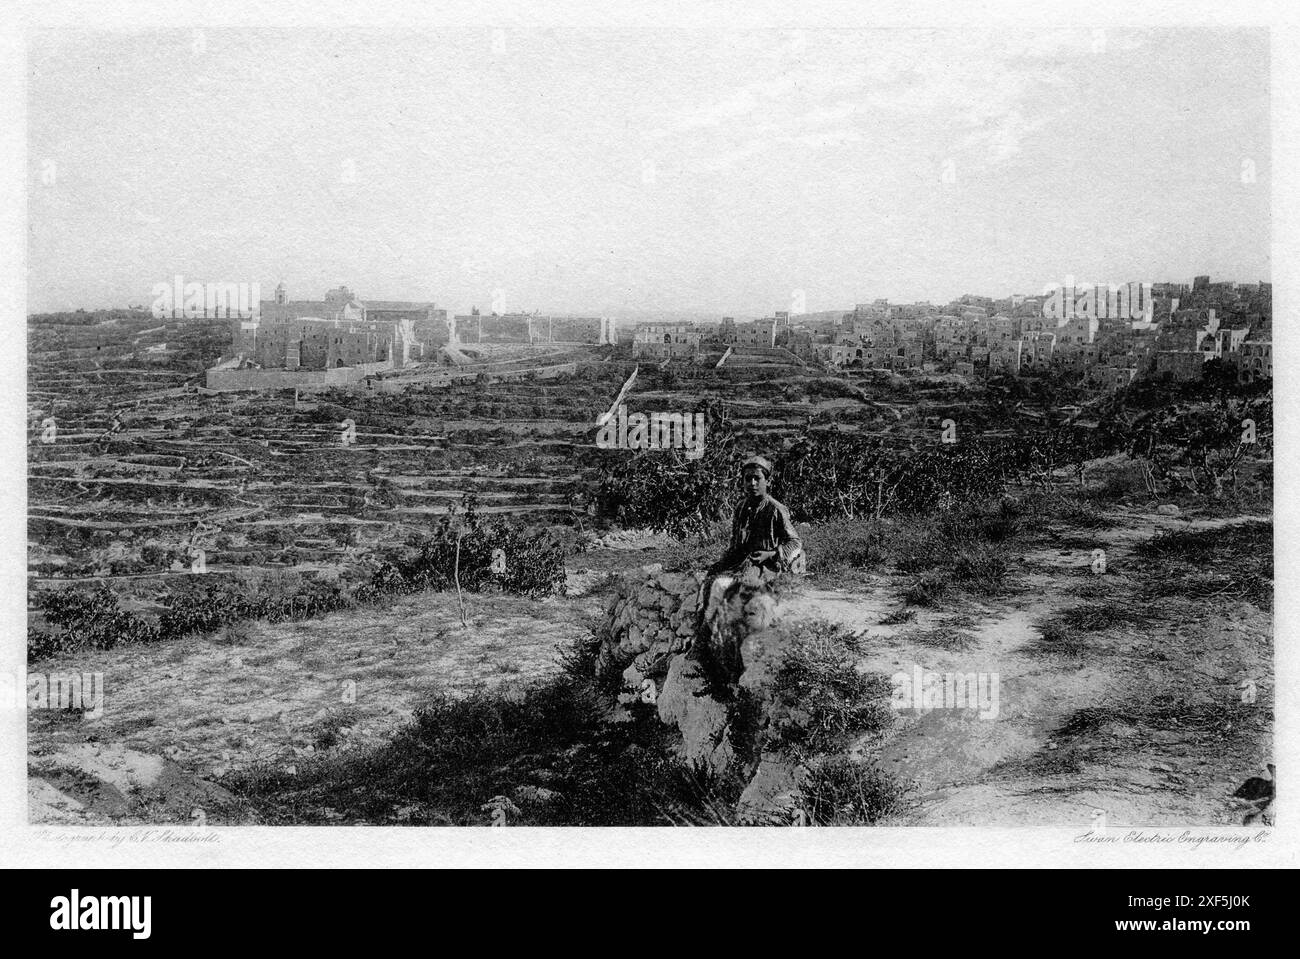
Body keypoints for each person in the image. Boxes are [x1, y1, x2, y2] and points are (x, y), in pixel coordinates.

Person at [708, 455, 805, 582]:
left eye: (757, 478)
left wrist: (771, 554)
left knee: (741, 584)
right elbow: (735, 542)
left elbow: (795, 542)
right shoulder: (741, 507)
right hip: (744, 561)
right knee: (712, 576)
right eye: (748, 479)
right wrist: (725, 560)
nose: (752, 483)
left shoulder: (776, 509)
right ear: (743, 481)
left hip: (769, 566)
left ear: (767, 481)